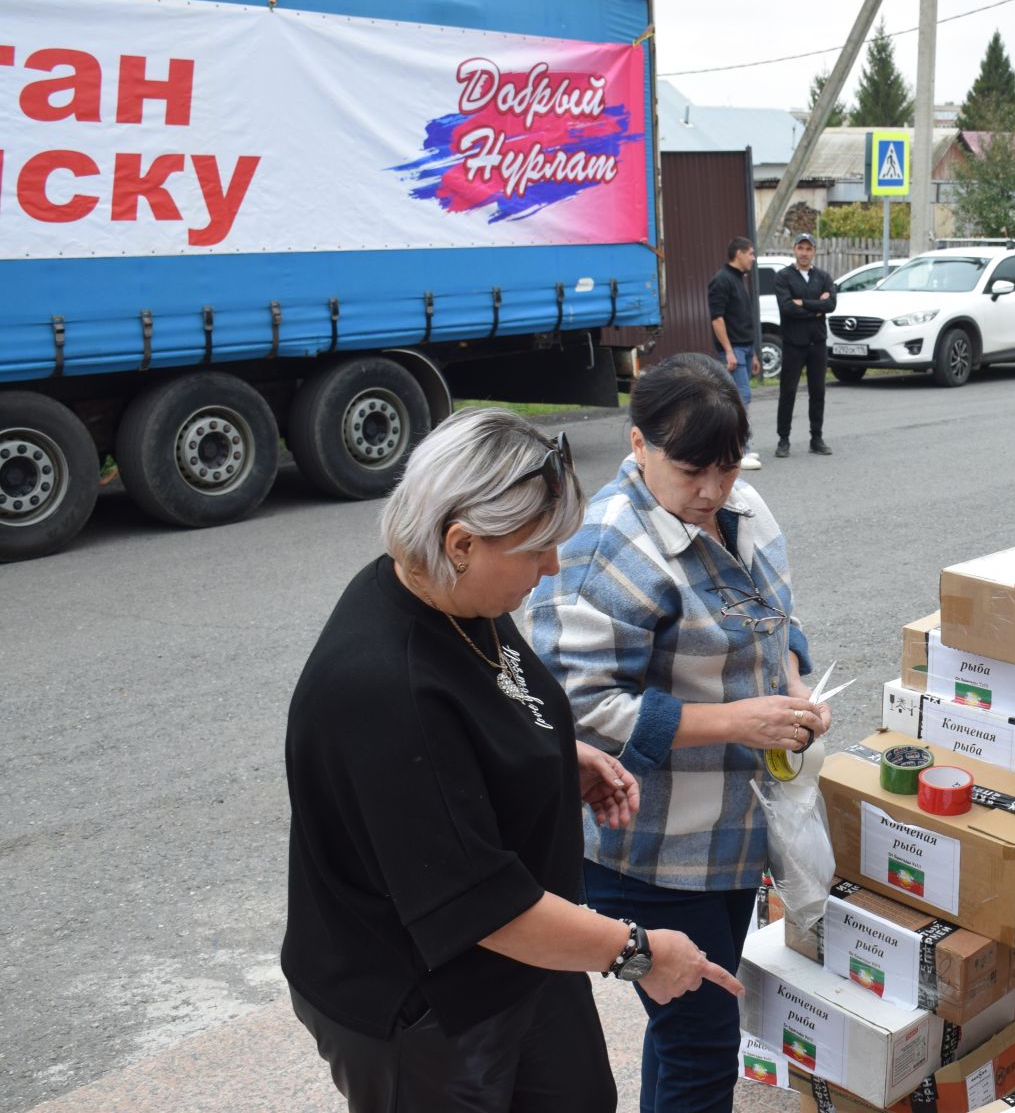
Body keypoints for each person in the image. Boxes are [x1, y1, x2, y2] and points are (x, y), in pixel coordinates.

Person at [283, 408, 740, 1113]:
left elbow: (495, 707)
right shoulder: (384, 688)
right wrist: (640, 950)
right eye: (536, 551)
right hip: (424, 998)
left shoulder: (452, 593)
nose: (553, 566)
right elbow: (480, 907)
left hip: (526, 958)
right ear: (460, 541)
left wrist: (554, 756)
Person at [529, 354, 829, 1113]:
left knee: (688, 1031)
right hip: (650, 848)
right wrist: (736, 721)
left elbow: (779, 615)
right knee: (701, 1042)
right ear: (638, 445)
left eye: (726, 468)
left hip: (731, 830)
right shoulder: (604, 547)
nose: (711, 491)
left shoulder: (745, 508)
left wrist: (794, 686)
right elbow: (577, 707)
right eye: (692, 469)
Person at [772, 233, 836, 457]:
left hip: (817, 343)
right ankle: (783, 439)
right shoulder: (783, 277)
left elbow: (831, 304)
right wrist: (816, 307)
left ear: (814, 252)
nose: (804, 253)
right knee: (787, 391)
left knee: (817, 392)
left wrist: (806, 303)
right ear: (794, 250)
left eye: (809, 249)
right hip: (793, 344)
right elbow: (787, 307)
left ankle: (816, 438)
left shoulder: (823, 276)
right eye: (801, 248)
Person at [709, 236, 763, 471]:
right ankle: (740, 452)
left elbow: (742, 319)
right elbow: (717, 318)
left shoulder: (739, 279)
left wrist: (753, 353)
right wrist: (729, 351)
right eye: (750, 253)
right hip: (734, 350)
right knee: (740, 399)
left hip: (745, 348)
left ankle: (743, 446)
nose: (753, 258)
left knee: (741, 399)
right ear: (738, 253)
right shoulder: (721, 280)